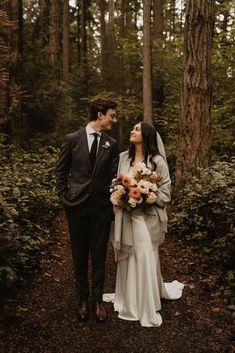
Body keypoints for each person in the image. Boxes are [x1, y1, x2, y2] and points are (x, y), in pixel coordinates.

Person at [106, 122, 184, 327]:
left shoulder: (157, 161)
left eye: (137, 129)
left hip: (146, 218)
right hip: (125, 215)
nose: (132, 131)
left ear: (147, 135)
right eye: (131, 128)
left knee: (143, 255)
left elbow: (166, 192)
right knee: (127, 256)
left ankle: (145, 304)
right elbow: (116, 182)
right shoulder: (124, 157)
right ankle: (127, 300)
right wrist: (119, 193)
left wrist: (147, 193)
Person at [55, 97, 119, 323]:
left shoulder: (112, 143)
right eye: (112, 115)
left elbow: (113, 178)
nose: (114, 119)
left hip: (102, 209)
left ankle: (98, 301)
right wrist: (65, 198)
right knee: (79, 254)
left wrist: (113, 202)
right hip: (77, 207)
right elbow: (61, 172)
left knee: (100, 255)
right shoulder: (72, 139)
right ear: (100, 114)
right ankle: (82, 299)